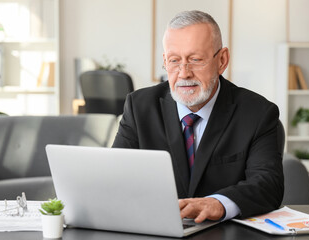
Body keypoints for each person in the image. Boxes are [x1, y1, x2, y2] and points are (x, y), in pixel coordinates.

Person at [113, 10, 284, 223]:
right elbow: (115, 177)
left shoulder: (258, 113)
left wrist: (219, 203)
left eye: (195, 59)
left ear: (222, 60)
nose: (184, 73)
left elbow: (268, 185)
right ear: (165, 61)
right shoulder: (139, 107)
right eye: (174, 61)